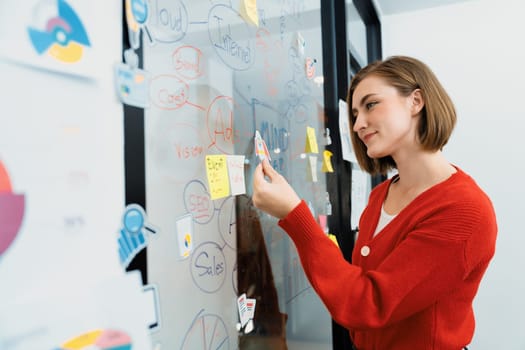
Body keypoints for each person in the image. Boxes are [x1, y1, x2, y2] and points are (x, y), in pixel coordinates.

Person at [252, 55, 497, 349]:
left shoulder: (464, 210)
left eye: (370, 105)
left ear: (416, 101)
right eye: (355, 114)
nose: (358, 125)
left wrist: (295, 215)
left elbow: (366, 304)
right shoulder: (381, 195)